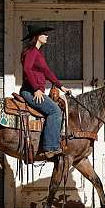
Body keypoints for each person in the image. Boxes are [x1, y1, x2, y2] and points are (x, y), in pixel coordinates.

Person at [20, 25, 70, 159]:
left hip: (35, 90)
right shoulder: (31, 52)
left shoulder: (37, 53)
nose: (47, 36)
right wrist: (36, 88)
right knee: (55, 111)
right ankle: (50, 148)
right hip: (30, 91)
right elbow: (27, 69)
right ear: (37, 37)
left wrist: (61, 86)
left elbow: (47, 72)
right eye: (44, 34)